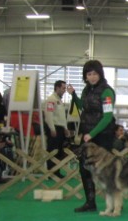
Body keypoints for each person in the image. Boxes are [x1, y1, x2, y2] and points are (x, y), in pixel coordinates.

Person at [67, 60, 116, 213]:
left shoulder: (107, 92)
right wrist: (73, 95)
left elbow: (107, 117)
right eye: (89, 74)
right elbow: (83, 106)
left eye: (95, 73)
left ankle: (114, 201)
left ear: (100, 74)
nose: (92, 77)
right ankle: (90, 202)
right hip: (88, 134)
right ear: (85, 76)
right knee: (84, 168)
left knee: (107, 170)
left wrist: (91, 134)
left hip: (103, 135)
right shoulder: (86, 90)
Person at [42, 80, 70, 178]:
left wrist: (65, 128)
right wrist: (52, 128)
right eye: (63, 88)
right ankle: (51, 173)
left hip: (60, 128)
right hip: (54, 128)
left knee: (59, 151)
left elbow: (62, 117)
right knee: (52, 150)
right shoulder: (51, 99)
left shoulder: (60, 100)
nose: (64, 90)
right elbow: (48, 115)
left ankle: (56, 171)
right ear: (57, 88)